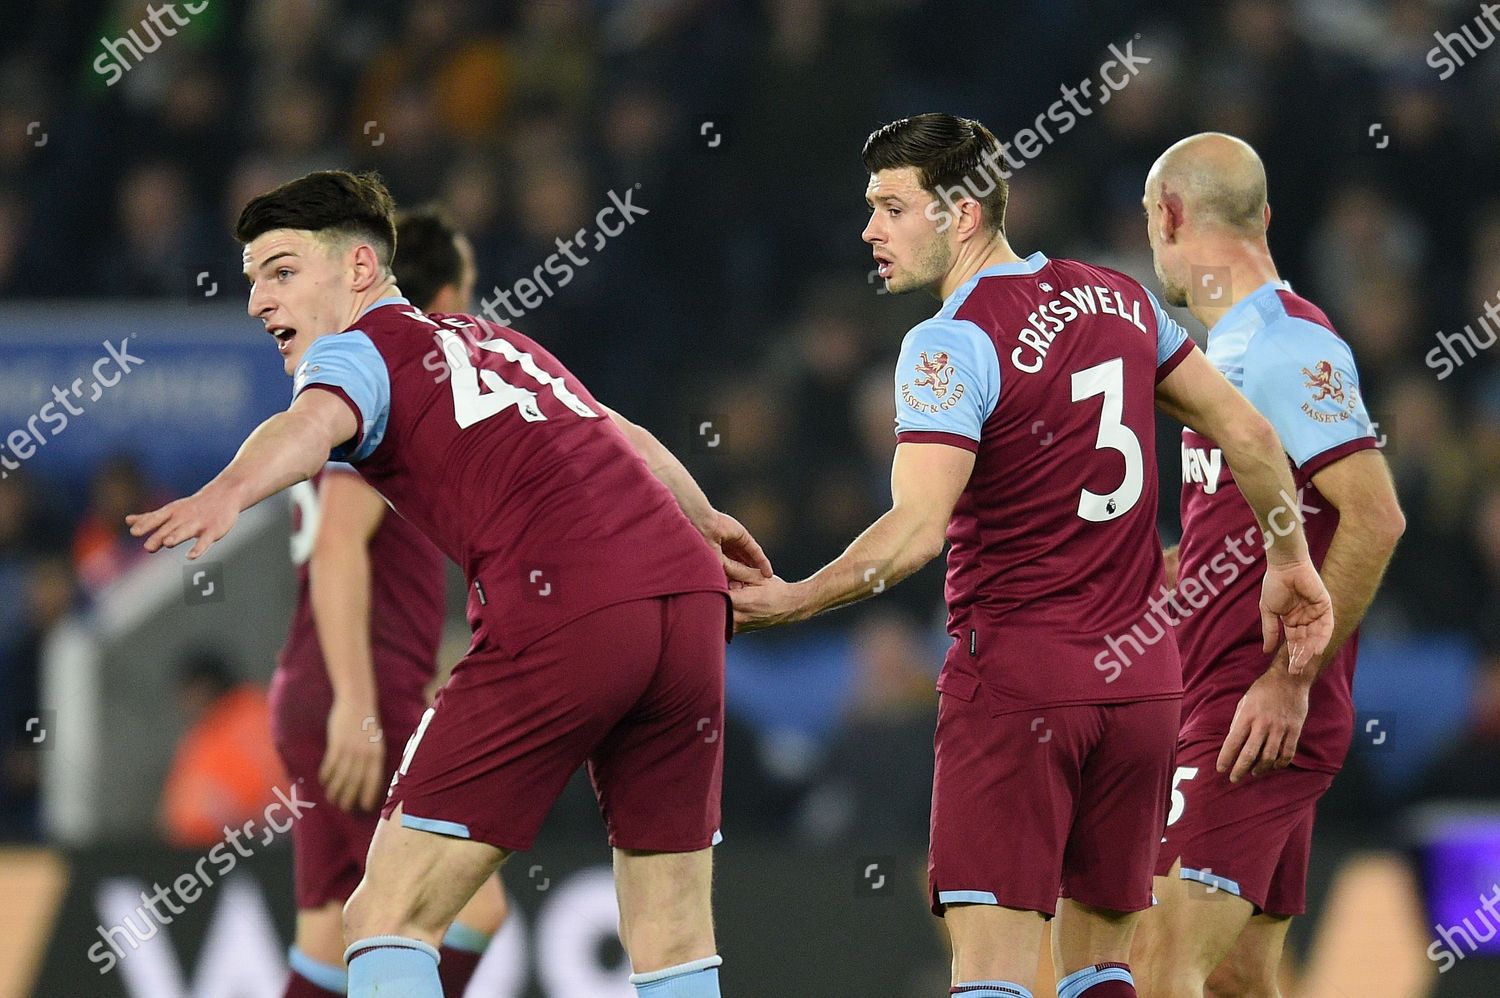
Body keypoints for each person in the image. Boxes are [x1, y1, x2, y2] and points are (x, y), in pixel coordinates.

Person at [730, 113, 1334, 998]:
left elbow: (913, 534)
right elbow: (1246, 430)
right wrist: (1290, 561)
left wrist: (795, 598)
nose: (870, 232)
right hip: (1141, 689)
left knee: (994, 972)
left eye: (892, 209)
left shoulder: (949, 343)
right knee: (1101, 966)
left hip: (1016, 682)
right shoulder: (1122, 297)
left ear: (962, 214)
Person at [128, 170, 769, 998]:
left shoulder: (358, 352)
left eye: (281, 272)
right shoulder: (497, 341)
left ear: (360, 268)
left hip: (564, 602)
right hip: (684, 596)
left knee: (385, 915)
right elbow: (627, 434)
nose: (257, 301)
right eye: (253, 279)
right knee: (673, 929)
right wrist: (709, 519)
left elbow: (308, 426)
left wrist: (229, 487)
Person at [1130, 133, 1405, 998]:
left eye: (1149, 221)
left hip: (1253, 719)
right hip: (1230, 701)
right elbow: (1259, 526)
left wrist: (1291, 679)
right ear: (1265, 219)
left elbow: (1374, 515)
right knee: (1239, 980)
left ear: (1170, 215)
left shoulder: (1290, 346)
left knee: (1152, 964)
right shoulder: (1228, 352)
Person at [271, 206, 504, 998]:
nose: (477, 312)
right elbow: (339, 545)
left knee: (326, 935)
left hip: (313, 685)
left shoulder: (352, 383)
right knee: (475, 907)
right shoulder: (384, 389)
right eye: (469, 292)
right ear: (439, 297)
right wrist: (359, 706)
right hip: (356, 693)